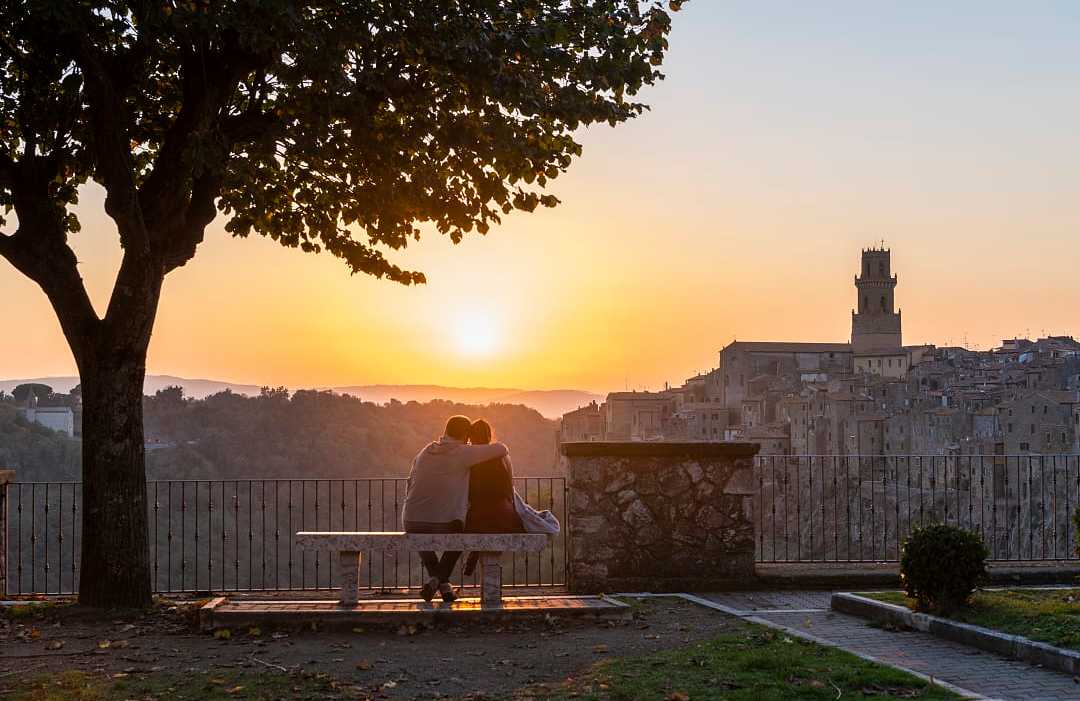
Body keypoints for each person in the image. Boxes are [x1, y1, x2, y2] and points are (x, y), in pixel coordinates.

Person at [402, 415, 508, 602]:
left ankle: (443, 586)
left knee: (421, 538)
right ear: (466, 436)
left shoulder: (424, 452)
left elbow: (409, 483)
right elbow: (502, 449)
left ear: (445, 432)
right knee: (463, 534)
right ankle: (438, 580)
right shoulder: (463, 452)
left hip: (411, 521)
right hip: (444, 524)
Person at [461, 419, 523, 576]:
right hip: (504, 518)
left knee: (480, 520)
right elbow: (510, 489)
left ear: (471, 437)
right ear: (489, 436)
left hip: (478, 520)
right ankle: (475, 554)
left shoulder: (469, 460)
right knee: (489, 519)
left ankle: (474, 553)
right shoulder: (502, 456)